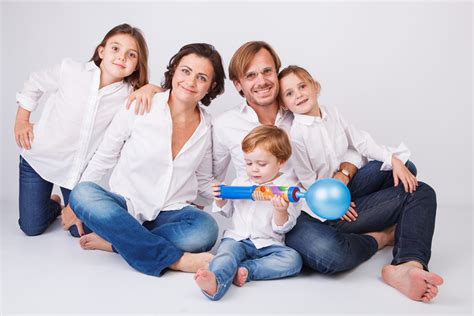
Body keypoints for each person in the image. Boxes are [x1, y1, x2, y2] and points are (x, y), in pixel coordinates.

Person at [278, 65, 443, 302]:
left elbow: (360, 143)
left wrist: (392, 159)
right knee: (419, 191)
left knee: (406, 170)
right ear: (284, 104)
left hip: (345, 185)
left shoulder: (332, 113)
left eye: (302, 86)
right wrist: (336, 203)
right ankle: (384, 232)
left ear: (316, 86)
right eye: (290, 93)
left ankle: (409, 263)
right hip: (323, 204)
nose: (299, 95)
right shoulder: (295, 135)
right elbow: (308, 182)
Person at [60, 43, 226, 276]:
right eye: (186, 71)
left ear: (212, 86)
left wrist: (235, 195)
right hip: (126, 206)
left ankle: (117, 243)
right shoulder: (141, 104)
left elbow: (203, 179)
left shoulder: (207, 126)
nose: (190, 82)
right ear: (175, 70)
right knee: (82, 194)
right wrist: (75, 205)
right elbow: (105, 156)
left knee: (206, 230)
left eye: (201, 77)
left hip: (171, 211)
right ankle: (175, 259)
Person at [15, 23, 149, 236]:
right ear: (101, 51)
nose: (121, 57)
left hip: (77, 173)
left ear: (136, 65)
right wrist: (22, 120)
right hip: (40, 160)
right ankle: (52, 203)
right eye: (115, 49)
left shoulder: (130, 95)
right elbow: (35, 83)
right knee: (31, 228)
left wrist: (151, 88)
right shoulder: (70, 71)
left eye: (131, 55)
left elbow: (163, 96)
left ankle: (66, 201)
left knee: (80, 231)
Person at [194, 125, 302, 300]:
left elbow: (283, 228)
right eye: (249, 163)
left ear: (281, 161)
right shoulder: (240, 182)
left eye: (261, 164)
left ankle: (247, 269)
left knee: (293, 260)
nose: (254, 169)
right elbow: (228, 212)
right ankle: (216, 281)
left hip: (268, 244)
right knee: (226, 254)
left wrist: (280, 211)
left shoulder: (288, 188)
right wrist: (220, 199)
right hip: (237, 238)